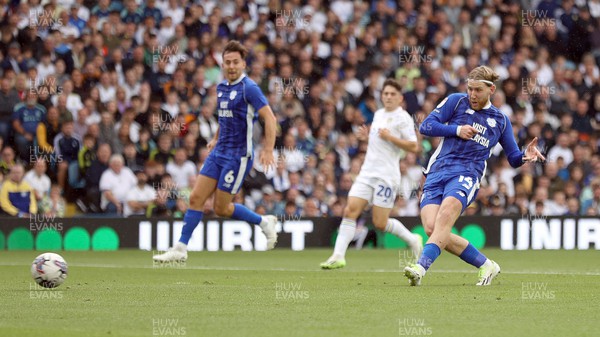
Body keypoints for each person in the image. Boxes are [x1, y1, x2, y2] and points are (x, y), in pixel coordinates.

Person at [404, 66, 545, 286]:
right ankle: (486, 265)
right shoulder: (456, 101)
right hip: (436, 172)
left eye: (477, 90)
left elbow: (513, 158)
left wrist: (525, 156)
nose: (472, 94)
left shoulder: (500, 120)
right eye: (469, 89)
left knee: (443, 220)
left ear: (491, 90)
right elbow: (426, 126)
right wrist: (457, 130)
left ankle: (420, 268)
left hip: (466, 175)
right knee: (433, 229)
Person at [153, 40, 278, 262]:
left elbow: (269, 117)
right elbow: (225, 117)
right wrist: (215, 137)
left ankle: (264, 222)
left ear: (243, 64)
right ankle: (181, 248)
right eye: (227, 62)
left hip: (238, 157)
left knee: (221, 208)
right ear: (222, 64)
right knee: (195, 198)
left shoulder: (249, 88)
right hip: (219, 153)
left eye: (235, 62)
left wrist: (268, 149)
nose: (231, 66)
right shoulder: (221, 88)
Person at [320, 79, 422, 269]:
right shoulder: (378, 114)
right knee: (350, 210)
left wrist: (390, 137)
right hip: (367, 172)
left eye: (393, 94)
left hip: (387, 176)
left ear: (400, 98)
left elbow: (414, 146)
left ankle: (413, 239)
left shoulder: (403, 118)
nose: (389, 97)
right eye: (386, 93)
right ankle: (338, 256)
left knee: (380, 223)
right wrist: (367, 136)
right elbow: (380, 142)